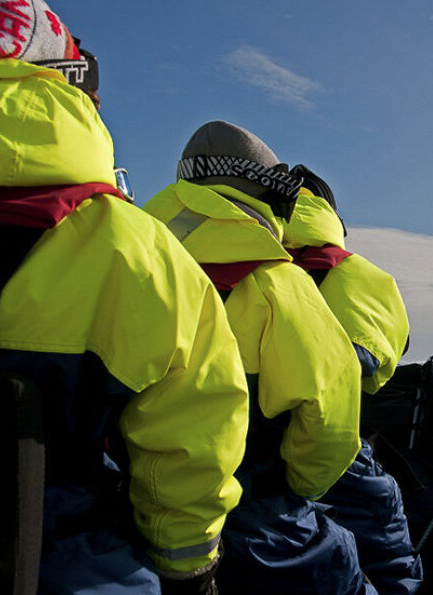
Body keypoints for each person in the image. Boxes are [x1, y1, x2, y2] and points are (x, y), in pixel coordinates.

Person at [0, 2, 250, 593]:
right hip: (63, 554)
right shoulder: (138, 253)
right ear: (69, 88)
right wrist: (188, 566)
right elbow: (190, 449)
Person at [142, 121, 374, 595]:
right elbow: (331, 421)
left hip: (123, 510)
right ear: (267, 195)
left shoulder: (125, 252)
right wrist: (298, 489)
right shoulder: (277, 285)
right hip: (254, 511)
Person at [283, 168, 421, 594]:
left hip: (239, 443)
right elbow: (387, 355)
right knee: (384, 537)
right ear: (332, 219)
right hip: (335, 445)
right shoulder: (362, 276)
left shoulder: (242, 264)